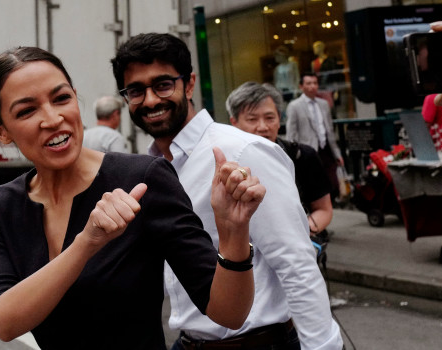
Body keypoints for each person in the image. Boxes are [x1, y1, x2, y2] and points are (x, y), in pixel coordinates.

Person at [0, 46, 266, 350]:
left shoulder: (143, 177)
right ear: (1, 130)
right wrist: (87, 243)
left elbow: (228, 313)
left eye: (61, 98)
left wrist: (233, 231)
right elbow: (4, 322)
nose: (53, 118)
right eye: (27, 111)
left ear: (76, 98)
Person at [111, 33, 343, 350]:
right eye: (136, 91)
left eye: (163, 85)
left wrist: (324, 347)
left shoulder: (242, 150)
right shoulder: (152, 167)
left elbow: (296, 262)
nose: (150, 100)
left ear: (189, 84)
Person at [228, 81, 333, 238]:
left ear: (279, 119)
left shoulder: (302, 156)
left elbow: (324, 209)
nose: (263, 127)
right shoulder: (226, 164)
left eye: (270, 118)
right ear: (234, 123)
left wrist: (302, 234)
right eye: (252, 119)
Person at [286, 73, 344, 202]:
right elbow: (291, 133)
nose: (312, 86)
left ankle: (330, 202)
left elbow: (330, 130)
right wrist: (294, 154)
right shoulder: (294, 106)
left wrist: (337, 153)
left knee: (332, 179)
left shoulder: (323, 104)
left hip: (326, 147)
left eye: (315, 83)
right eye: (308, 83)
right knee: (313, 181)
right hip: (308, 149)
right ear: (301, 86)